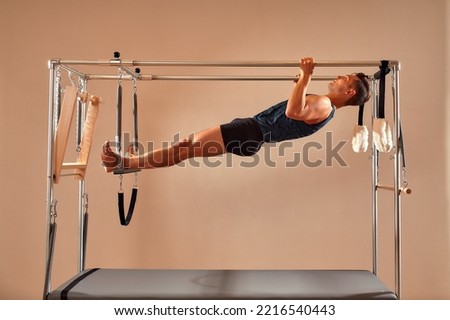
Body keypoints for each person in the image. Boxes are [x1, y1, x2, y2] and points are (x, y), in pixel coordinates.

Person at [101, 57, 370, 172]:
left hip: (251, 132)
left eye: (344, 78)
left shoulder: (324, 104)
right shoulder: (325, 107)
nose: (338, 77)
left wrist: (306, 78)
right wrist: (300, 82)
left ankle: (128, 163)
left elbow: (293, 110)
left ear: (349, 92)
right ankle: (132, 162)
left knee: (185, 147)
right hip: (251, 132)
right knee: (185, 148)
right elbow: (293, 112)